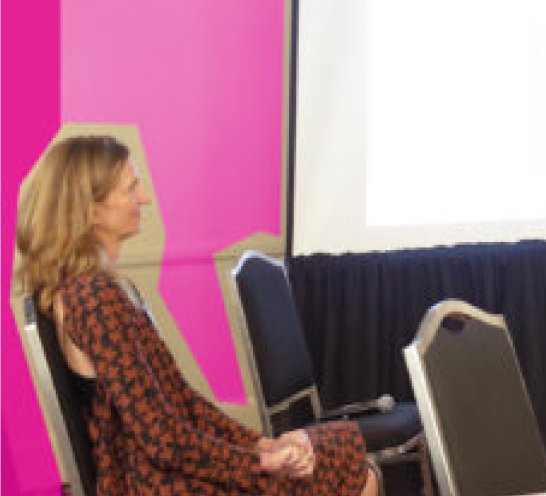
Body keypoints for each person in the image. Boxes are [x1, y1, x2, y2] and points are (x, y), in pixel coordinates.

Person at [16, 136, 379, 496]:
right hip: (159, 484)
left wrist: (258, 447)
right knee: (356, 470)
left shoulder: (99, 290)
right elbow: (161, 438)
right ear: (91, 210)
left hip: (165, 471)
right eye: (131, 188)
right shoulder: (93, 297)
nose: (145, 198)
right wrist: (259, 463)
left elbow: (183, 406)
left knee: (337, 448)